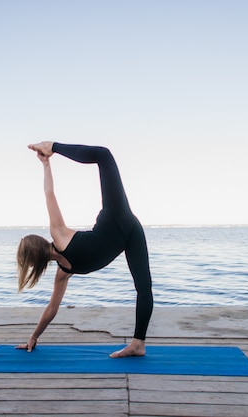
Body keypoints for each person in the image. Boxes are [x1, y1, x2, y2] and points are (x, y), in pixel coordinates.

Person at [16, 141, 153, 358]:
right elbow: (51, 309)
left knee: (104, 155)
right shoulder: (62, 273)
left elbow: (49, 194)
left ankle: (53, 145)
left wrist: (47, 161)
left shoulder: (59, 236)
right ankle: (138, 344)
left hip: (115, 216)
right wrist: (34, 336)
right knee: (144, 289)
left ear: (33, 262)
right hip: (130, 232)